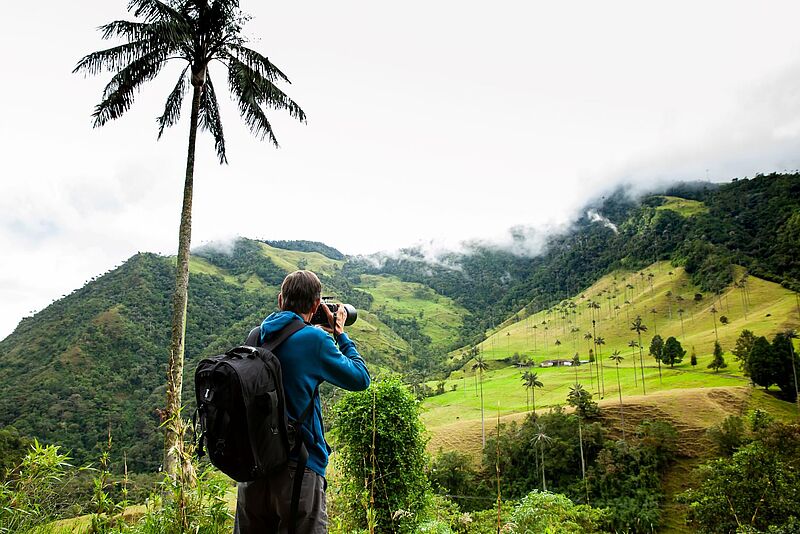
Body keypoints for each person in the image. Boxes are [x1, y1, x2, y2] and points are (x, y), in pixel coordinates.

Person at [234, 270, 370, 534]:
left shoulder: (255, 336)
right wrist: (340, 334)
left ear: (280, 299)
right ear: (316, 305)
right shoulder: (314, 340)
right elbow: (360, 379)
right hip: (298, 469)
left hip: (253, 470)